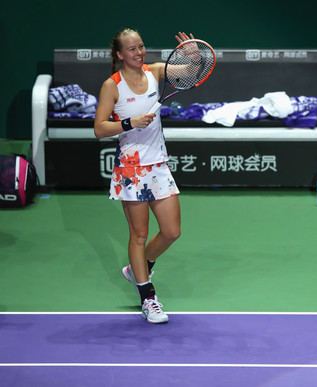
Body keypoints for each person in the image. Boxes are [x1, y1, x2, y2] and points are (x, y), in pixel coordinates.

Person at [94, 29, 194, 323]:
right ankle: (148, 297)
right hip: (130, 169)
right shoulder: (112, 86)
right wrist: (129, 122)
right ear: (120, 55)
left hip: (158, 165)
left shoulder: (156, 71)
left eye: (141, 46)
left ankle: (141, 265)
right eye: (132, 49)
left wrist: (193, 58)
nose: (139, 52)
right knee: (138, 235)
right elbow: (99, 128)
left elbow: (189, 73)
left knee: (172, 231)